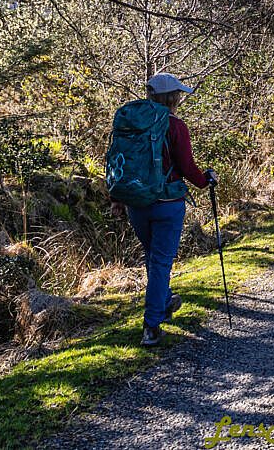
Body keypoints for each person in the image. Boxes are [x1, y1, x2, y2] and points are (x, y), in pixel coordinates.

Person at [108, 73, 216, 347]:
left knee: (153, 256)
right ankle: (151, 327)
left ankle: (165, 300)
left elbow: (120, 160)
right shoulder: (175, 126)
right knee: (160, 262)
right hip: (167, 203)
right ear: (172, 97)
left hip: (136, 202)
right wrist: (206, 180)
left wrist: (118, 197)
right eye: (177, 94)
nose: (179, 98)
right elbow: (186, 166)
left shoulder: (134, 122)